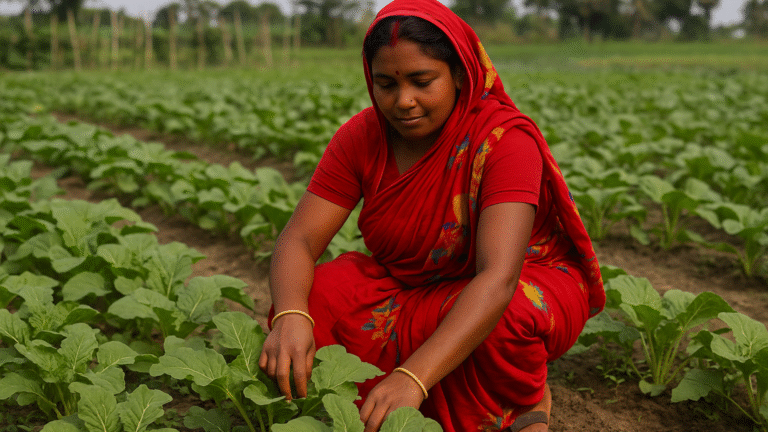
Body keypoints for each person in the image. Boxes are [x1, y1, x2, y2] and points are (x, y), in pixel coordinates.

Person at [258, 0, 605, 431]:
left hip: (518, 283)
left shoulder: (503, 141)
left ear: (459, 72)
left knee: (509, 312)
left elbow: (497, 278)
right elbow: (299, 240)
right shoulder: (361, 138)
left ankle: (523, 401)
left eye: (423, 81)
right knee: (314, 297)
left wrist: (412, 376)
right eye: (386, 84)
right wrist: (292, 314)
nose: (404, 101)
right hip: (413, 289)